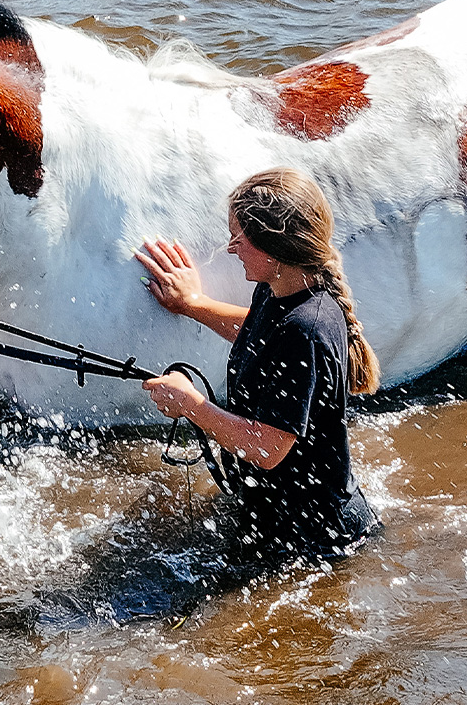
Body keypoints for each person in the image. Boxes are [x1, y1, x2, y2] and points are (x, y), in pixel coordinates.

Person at [136, 167, 382, 565]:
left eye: (240, 237)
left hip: (314, 541)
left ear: (274, 247)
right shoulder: (281, 290)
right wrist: (193, 303)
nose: (232, 248)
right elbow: (258, 333)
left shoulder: (308, 328)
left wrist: (192, 406)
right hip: (277, 518)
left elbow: (267, 449)